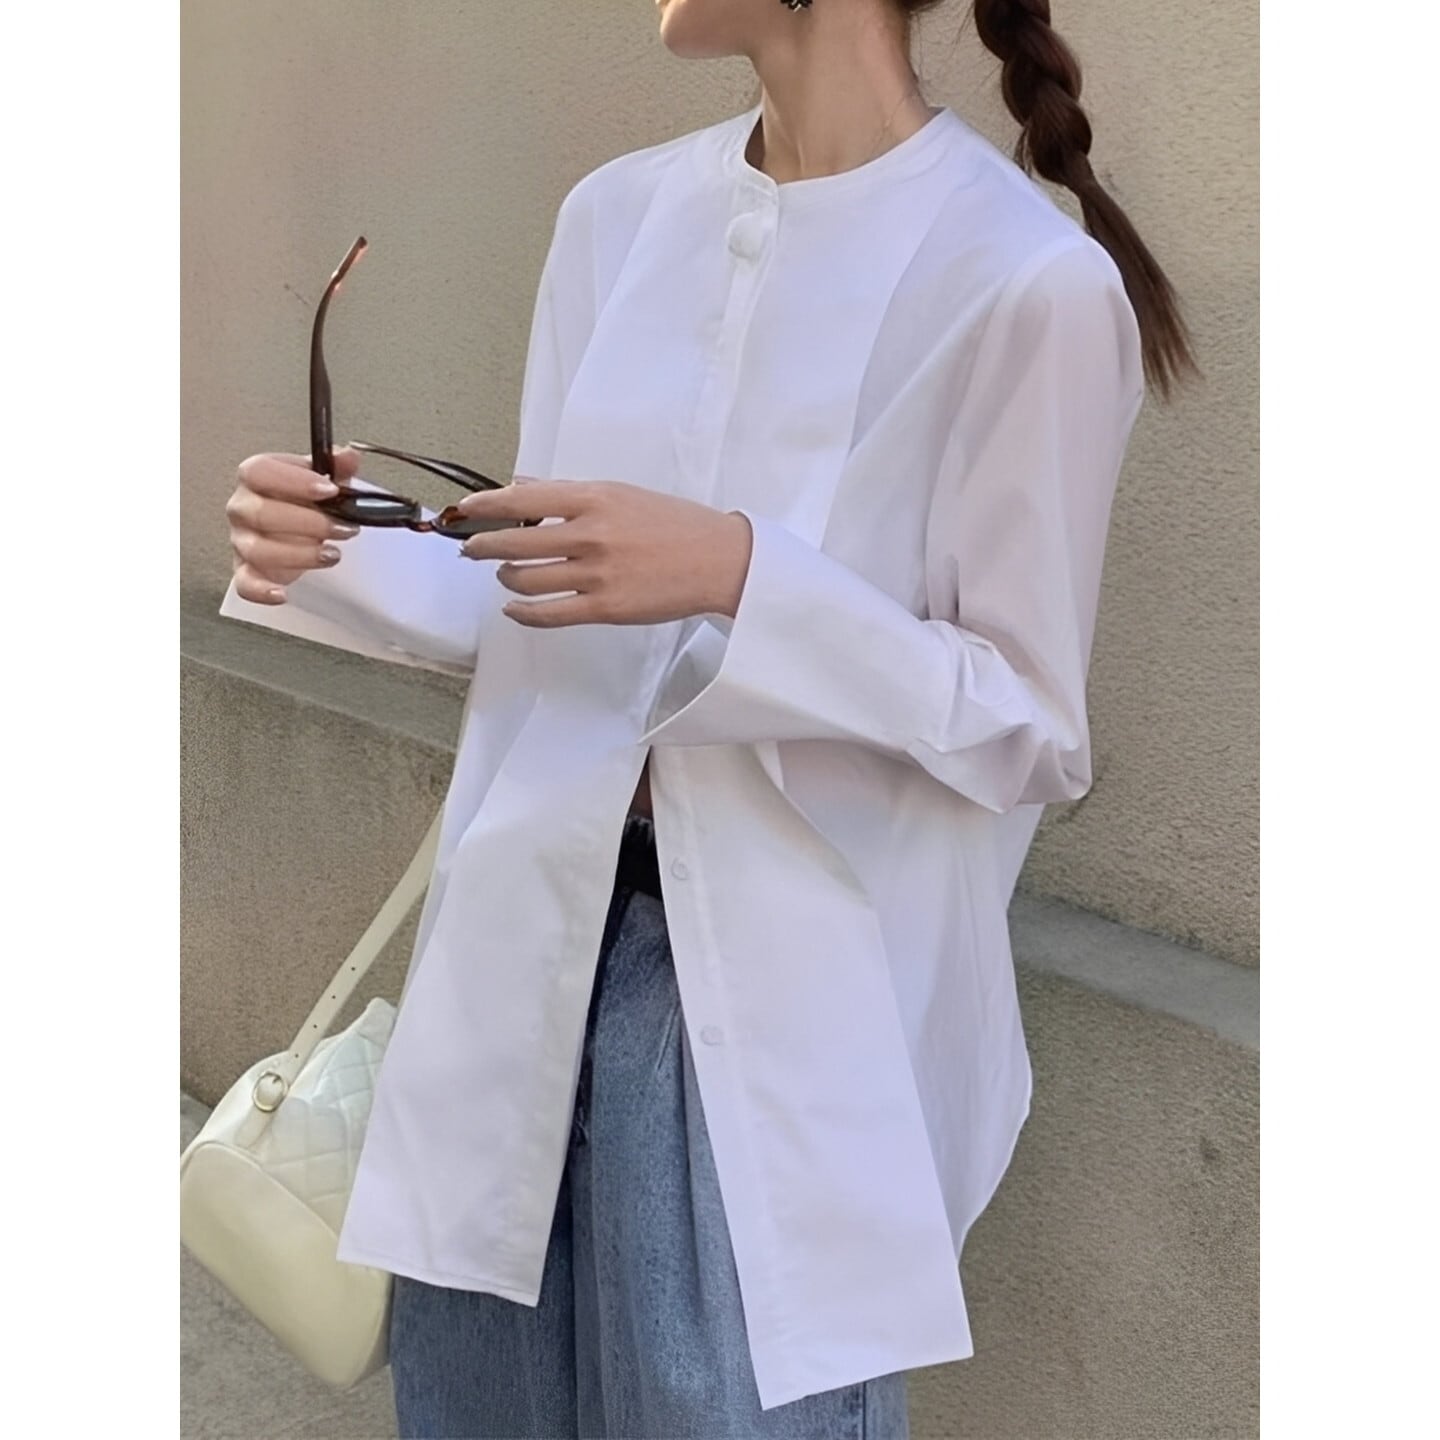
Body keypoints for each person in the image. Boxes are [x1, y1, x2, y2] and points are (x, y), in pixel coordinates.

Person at [220, 2, 1194, 1436]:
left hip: (777, 1024)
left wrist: (744, 574)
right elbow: (549, 607)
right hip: (526, 946)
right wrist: (337, 551)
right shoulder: (616, 219)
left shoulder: (1028, 282)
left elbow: (1027, 722)